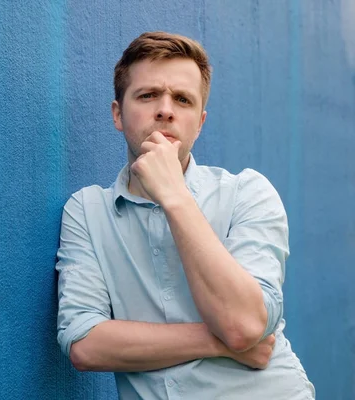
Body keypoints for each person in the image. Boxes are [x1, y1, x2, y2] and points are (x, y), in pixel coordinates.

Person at [55, 31, 315, 399]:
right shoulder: (86, 211)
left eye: (183, 99)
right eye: (147, 95)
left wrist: (174, 195)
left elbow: (242, 325)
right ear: (117, 114)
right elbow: (85, 344)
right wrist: (218, 343)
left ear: (200, 122)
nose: (165, 109)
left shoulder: (248, 194)